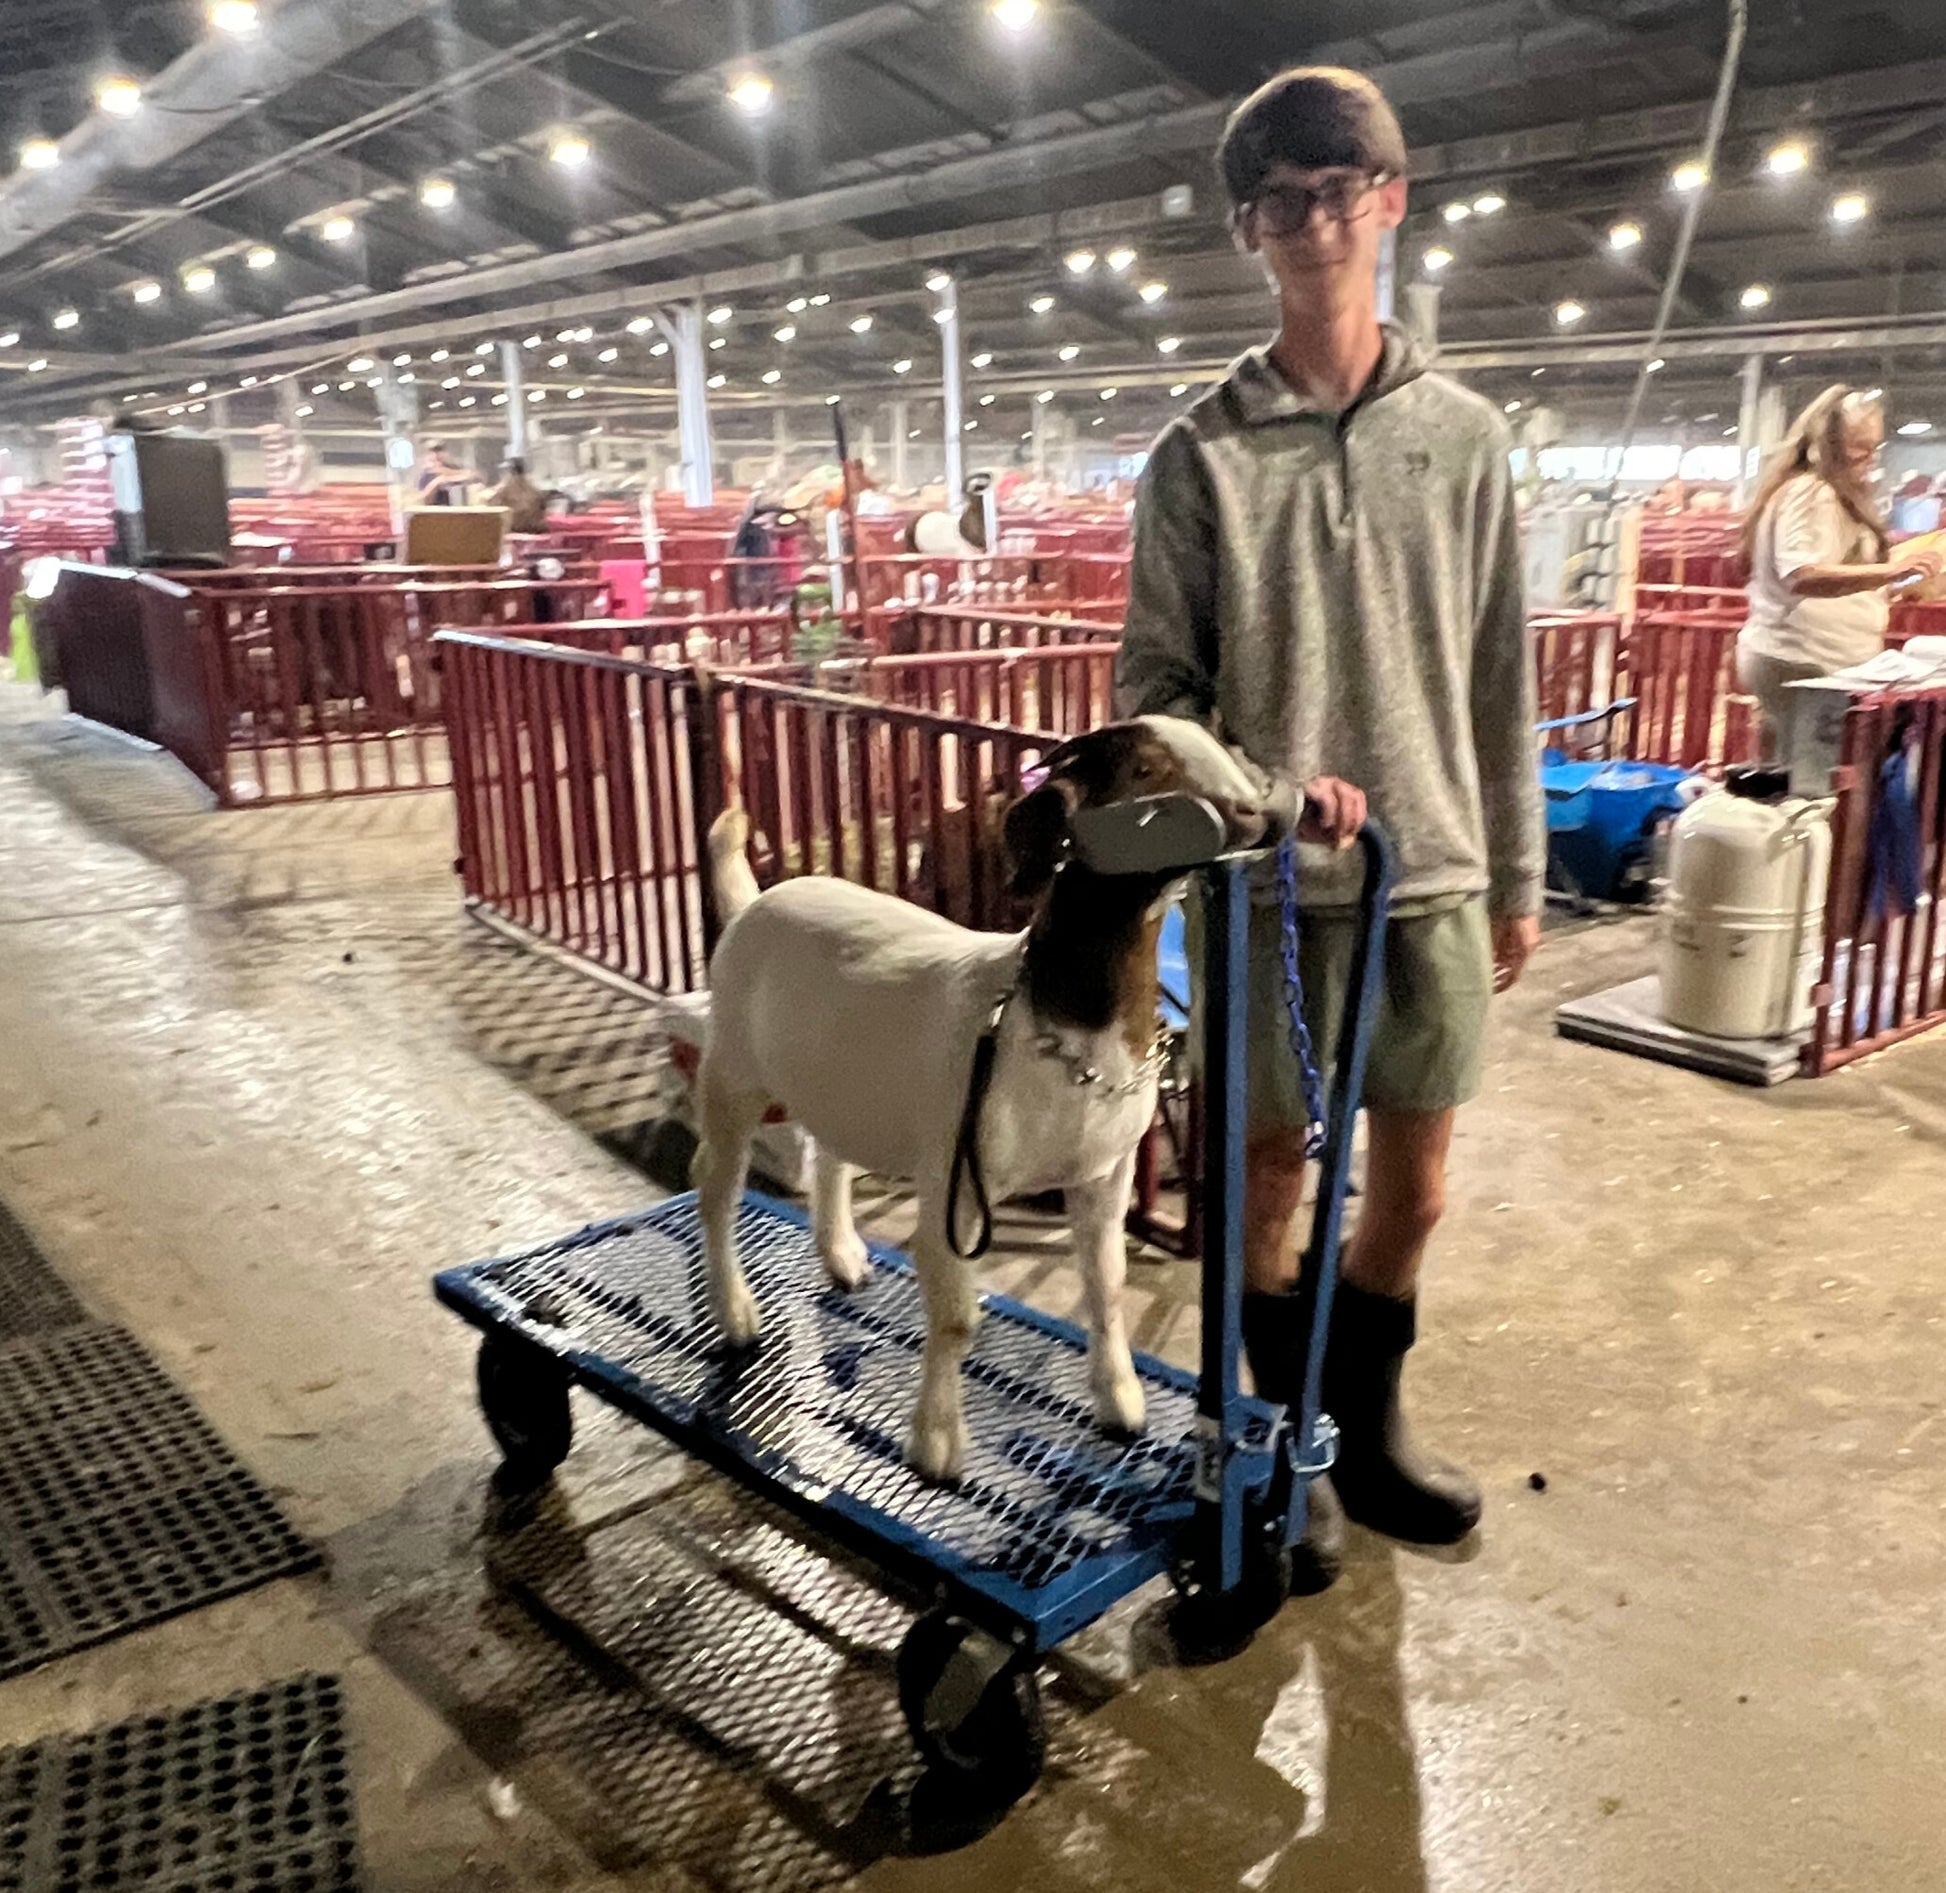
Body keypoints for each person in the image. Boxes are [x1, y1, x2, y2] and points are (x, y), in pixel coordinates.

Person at [1116, 66, 1544, 1587]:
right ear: (1249, 227)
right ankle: (1273, 1440)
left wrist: (1513, 864)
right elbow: (1154, 692)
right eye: (1280, 200)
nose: (1313, 221)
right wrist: (1260, 796)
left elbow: (1502, 670)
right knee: (1273, 1171)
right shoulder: (1198, 456)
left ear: (1390, 198)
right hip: (1263, 889)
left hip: (1427, 868)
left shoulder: (1467, 441)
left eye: (1338, 188)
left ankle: (1359, 1428)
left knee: (1415, 1185)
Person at [1737, 387, 1941, 756]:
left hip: (1816, 662)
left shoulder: (1823, 492)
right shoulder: (1810, 492)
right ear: (1828, 442)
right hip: (1804, 663)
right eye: (1859, 446)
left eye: (1874, 446)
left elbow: (1836, 571)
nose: (1870, 458)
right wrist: (1891, 571)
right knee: (1807, 784)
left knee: (1800, 776)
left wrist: (1889, 585)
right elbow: (1801, 574)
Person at [486, 456, 549, 534]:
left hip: (515, 529)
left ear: (510, 471)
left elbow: (491, 505)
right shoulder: (532, 488)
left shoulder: (507, 488)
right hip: (534, 529)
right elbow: (543, 505)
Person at [415, 441, 472, 507]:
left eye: (439, 451)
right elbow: (423, 499)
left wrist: (448, 476)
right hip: (434, 511)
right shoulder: (426, 474)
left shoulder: (453, 468)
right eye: (432, 452)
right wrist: (437, 483)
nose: (436, 455)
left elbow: (471, 476)